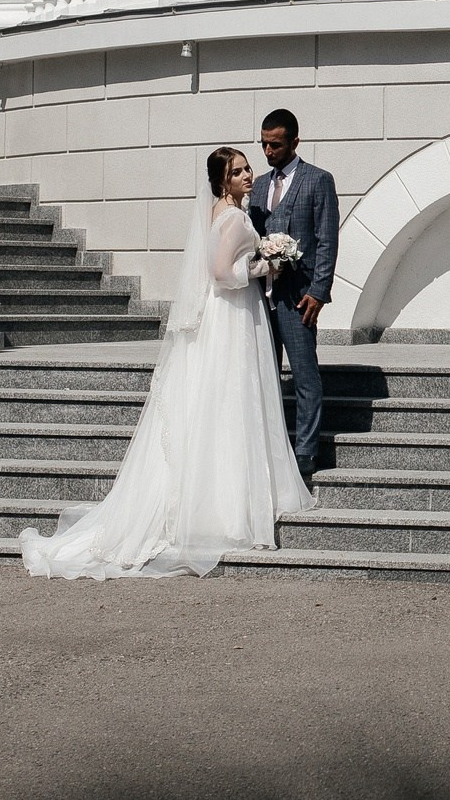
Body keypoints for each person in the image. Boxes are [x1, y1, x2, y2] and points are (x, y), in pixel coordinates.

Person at [19, 146, 313, 579]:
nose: (248, 175)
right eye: (238, 172)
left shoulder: (220, 212)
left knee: (228, 399)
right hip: (230, 312)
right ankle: (225, 508)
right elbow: (219, 273)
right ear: (222, 181)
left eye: (248, 168)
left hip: (228, 313)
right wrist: (262, 267)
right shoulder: (231, 217)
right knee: (232, 396)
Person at [251, 108, 338, 478]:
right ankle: (268, 449)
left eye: (276, 145)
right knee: (262, 374)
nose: (269, 152)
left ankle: (304, 455)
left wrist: (319, 291)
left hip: (298, 297)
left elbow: (327, 240)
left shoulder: (318, 180)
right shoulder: (256, 187)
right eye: (264, 145)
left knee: (305, 376)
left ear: (295, 142)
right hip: (258, 298)